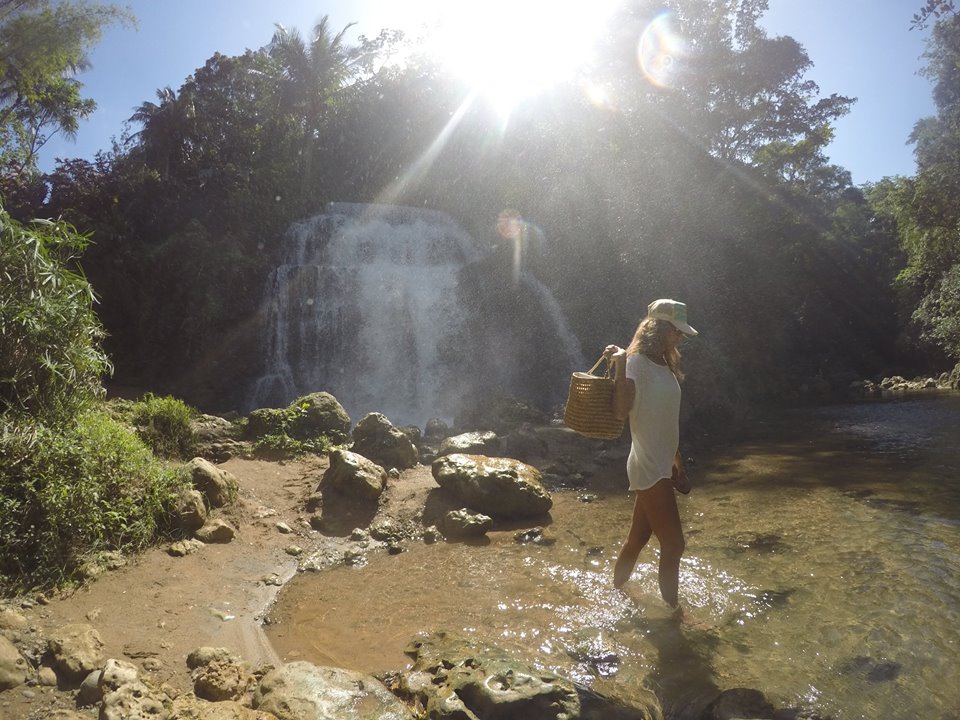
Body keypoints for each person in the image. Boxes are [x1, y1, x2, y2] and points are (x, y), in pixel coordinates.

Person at [604, 298, 697, 614]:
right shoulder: (635, 364)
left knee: (636, 541)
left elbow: (665, 421)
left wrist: (677, 462)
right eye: (677, 331)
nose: (681, 337)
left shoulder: (663, 363)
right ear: (659, 329)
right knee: (674, 545)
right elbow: (619, 412)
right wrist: (618, 365)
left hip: (662, 463)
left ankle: (615, 593)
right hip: (646, 465)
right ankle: (675, 615)